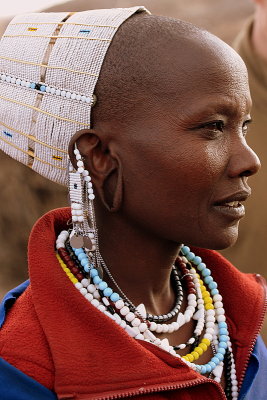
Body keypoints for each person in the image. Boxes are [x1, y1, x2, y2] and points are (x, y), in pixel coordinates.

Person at [0, 6, 266, 400]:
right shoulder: (26, 366)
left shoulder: (234, 317)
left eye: (243, 128)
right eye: (212, 127)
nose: (250, 162)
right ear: (100, 156)